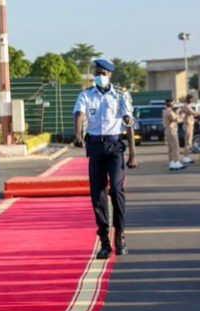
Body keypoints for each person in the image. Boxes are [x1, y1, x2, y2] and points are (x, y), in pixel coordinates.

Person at [73, 59, 137, 260]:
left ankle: (120, 235)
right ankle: (104, 241)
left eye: (103, 73)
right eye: (97, 72)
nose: (99, 76)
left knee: (116, 190)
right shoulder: (86, 94)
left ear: (110, 75)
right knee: (97, 194)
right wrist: (77, 135)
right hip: (95, 146)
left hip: (115, 146)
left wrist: (133, 154)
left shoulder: (120, 94)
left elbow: (129, 122)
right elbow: (79, 114)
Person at [162, 99, 186, 171]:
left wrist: (177, 111)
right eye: (173, 103)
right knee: (175, 147)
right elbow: (177, 120)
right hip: (171, 130)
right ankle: (176, 162)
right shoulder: (169, 111)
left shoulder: (166, 111)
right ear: (169, 104)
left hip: (168, 130)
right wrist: (182, 114)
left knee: (170, 148)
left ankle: (172, 162)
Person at [180, 95, 200, 164]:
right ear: (189, 99)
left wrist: (195, 120)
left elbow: (190, 116)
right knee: (188, 142)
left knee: (188, 142)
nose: (192, 101)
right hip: (188, 125)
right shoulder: (187, 106)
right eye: (191, 99)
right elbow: (194, 113)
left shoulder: (186, 106)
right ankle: (186, 157)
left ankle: (186, 156)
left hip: (189, 124)